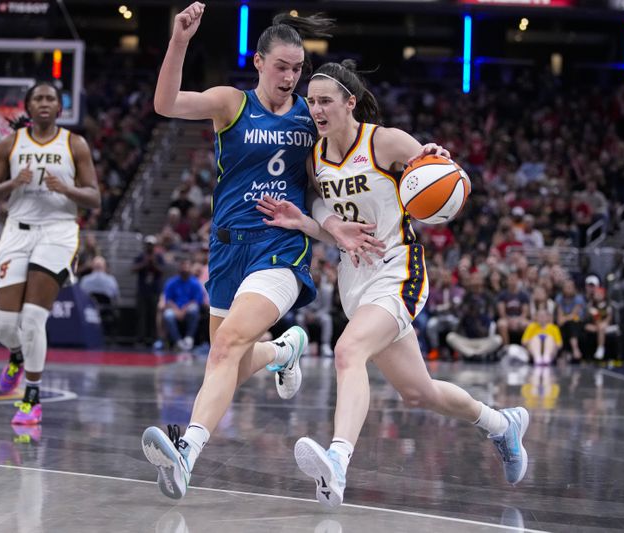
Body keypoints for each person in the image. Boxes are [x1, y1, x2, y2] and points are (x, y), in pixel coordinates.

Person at [256, 60, 530, 508]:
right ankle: (503, 425)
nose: (316, 109)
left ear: (350, 102)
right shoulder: (316, 157)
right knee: (418, 392)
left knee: (348, 351)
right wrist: (310, 222)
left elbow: (447, 179)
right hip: (354, 279)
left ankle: (338, 462)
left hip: (398, 268)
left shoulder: (385, 141)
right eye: (312, 101)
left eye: (326, 100)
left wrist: (440, 162)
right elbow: (327, 220)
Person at [140, 3, 373, 501]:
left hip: (281, 248)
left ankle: (187, 452)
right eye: (282, 66)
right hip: (228, 251)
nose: (291, 77)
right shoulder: (231, 103)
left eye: (298, 68)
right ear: (260, 63)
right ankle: (283, 350)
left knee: (225, 348)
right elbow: (165, 104)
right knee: (224, 362)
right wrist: (180, 40)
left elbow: (350, 156)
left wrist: (419, 157)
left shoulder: (312, 119)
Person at [0, 81, 101, 425]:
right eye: (39, 98)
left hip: (58, 233)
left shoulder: (74, 144)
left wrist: (67, 188)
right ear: (29, 107)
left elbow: (95, 197)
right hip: (16, 232)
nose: (45, 103)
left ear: (59, 108)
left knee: (33, 319)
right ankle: (16, 355)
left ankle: (31, 398)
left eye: (51, 98)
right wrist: (11, 183)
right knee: (5, 326)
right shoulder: (9, 143)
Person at [159, 258, 204, 351]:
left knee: (194, 309)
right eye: (183, 267)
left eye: (187, 267)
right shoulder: (171, 282)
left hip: (187, 309)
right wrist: (176, 310)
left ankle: (189, 338)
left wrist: (183, 311)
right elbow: (168, 299)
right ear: (179, 269)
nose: (185, 269)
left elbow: (196, 300)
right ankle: (178, 341)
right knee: (168, 315)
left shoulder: (195, 283)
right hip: (175, 309)